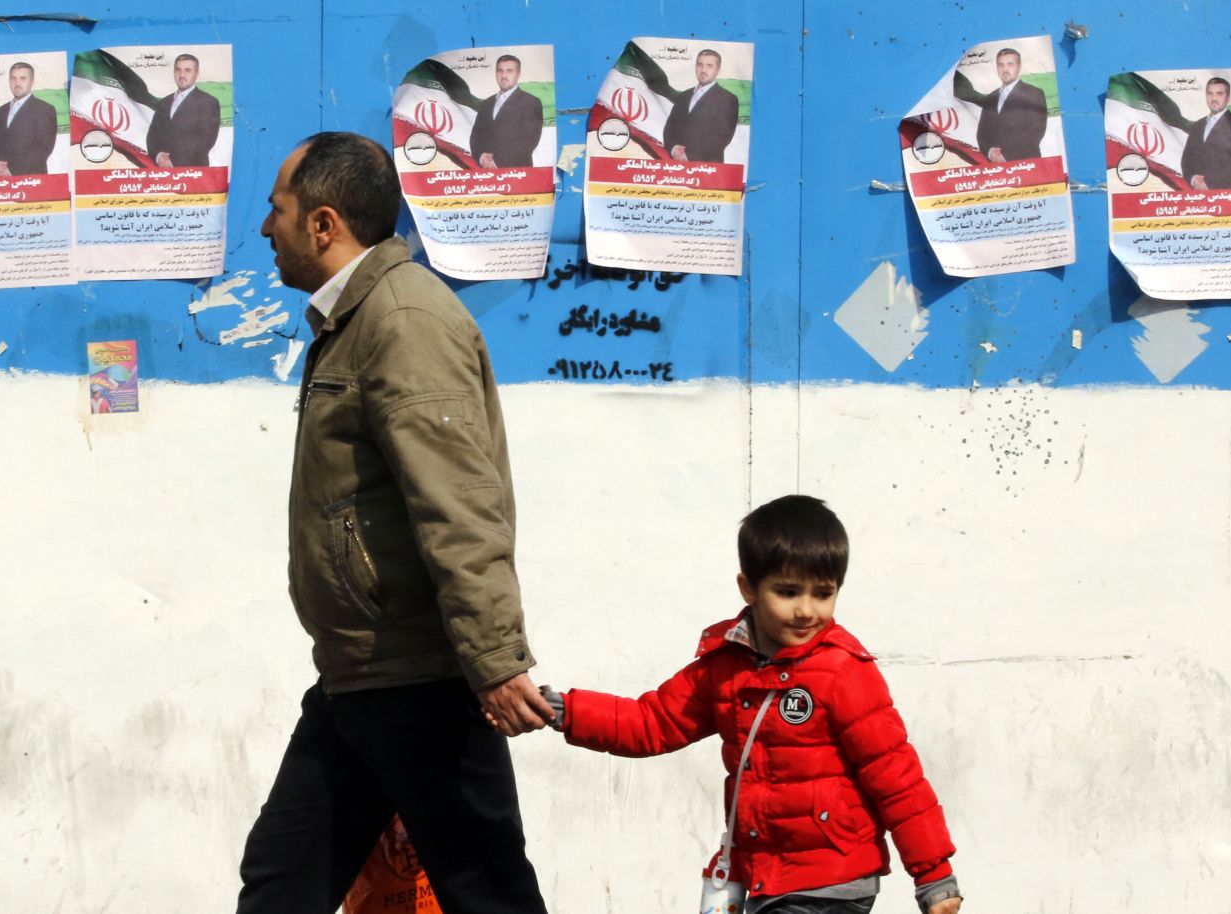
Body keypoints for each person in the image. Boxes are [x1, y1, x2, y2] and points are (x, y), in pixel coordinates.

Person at [237, 131, 552, 914]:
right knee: (282, 881)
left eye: (277, 209)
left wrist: (492, 656)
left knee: (488, 894)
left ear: (323, 223)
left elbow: (457, 498)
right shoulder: (357, 319)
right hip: (359, 675)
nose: (263, 227)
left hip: (424, 679)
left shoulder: (403, 319)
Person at [546, 495, 963, 914]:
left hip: (833, 878)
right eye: (787, 591)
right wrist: (566, 712)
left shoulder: (843, 671)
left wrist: (934, 876)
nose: (806, 610)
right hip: (763, 877)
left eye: (823, 593)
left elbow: (896, 777)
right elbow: (651, 721)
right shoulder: (723, 668)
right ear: (749, 588)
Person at [955, 48, 1047, 163]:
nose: (1005, 69)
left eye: (1010, 64)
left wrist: (1005, 155)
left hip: (1027, 165)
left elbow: (1036, 132)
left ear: (1019, 66)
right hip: (995, 169)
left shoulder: (1034, 94)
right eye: (1001, 65)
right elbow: (982, 134)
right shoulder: (990, 98)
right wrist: (990, 152)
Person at [660, 49, 740, 163]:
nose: (703, 70)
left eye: (709, 66)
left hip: (707, 169)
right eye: (700, 64)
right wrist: (674, 149)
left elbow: (722, 137)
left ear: (718, 69)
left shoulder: (728, 99)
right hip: (676, 165)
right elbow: (669, 129)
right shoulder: (683, 96)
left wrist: (688, 156)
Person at [0, 61, 59, 177]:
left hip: (32, 181)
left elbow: (43, 148)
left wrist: (12, 170)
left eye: (23, 78)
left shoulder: (44, 109)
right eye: (13, 78)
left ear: (32, 82)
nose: (17, 83)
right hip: (0, 182)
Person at [1180, 77, 1231, 191]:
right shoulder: (1197, 126)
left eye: (1219, 94)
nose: (1214, 98)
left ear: (1227, 97)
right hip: (1196, 195)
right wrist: (1193, 179)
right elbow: (1186, 159)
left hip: (1228, 195)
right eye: (1210, 93)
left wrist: (1207, 184)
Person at [147, 53, 219, 168]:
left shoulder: (208, 102)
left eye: (187, 70)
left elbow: (206, 140)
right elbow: (152, 136)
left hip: (193, 172)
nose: (182, 75)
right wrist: (159, 156)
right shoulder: (163, 103)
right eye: (178, 70)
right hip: (161, 172)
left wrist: (172, 161)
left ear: (196, 74)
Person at [470, 54, 542, 169]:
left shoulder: (531, 102)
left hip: (517, 174)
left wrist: (497, 162)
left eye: (509, 71)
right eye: (500, 71)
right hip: (485, 174)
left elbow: (528, 142)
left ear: (518, 74)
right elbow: (475, 137)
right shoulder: (486, 104)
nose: (504, 75)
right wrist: (482, 157)